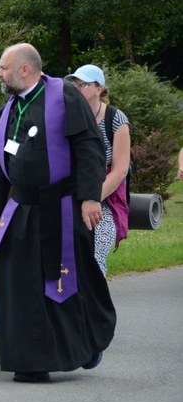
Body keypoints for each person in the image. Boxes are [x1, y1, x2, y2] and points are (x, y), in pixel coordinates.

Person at [0, 43, 116, 383]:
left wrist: (89, 197)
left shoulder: (65, 98)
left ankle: (85, 344)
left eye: (3, 67)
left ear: (24, 69)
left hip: (63, 208)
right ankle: (29, 361)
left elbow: (89, 148)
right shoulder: (11, 107)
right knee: (19, 284)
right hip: (21, 210)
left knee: (65, 280)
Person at [64, 64, 131, 276]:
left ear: (98, 89)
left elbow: (120, 171)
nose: (76, 89)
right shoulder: (67, 115)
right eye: (73, 84)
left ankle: (96, 305)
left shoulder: (116, 119)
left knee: (95, 258)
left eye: (82, 84)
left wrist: (91, 198)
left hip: (106, 197)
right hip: (71, 194)